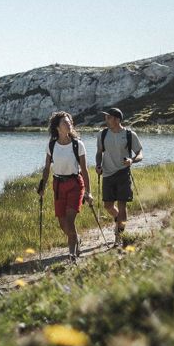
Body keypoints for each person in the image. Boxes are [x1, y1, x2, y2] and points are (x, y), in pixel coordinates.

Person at [37, 111, 93, 261]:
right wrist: (42, 186)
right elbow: (47, 168)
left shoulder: (78, 145)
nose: (68, 125)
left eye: (69, 122)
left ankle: (72, 255)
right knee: (62, 224)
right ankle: (76, 240)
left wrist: (88, 192)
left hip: (75, 184)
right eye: (65, 123)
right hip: (58, 185)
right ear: (57, 127)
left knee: (69, 220)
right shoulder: (51, 146)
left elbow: (85, 169)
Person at [95, 107, 143, 247]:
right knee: (108, 206)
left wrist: (131, 160)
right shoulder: (102, 134)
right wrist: (98, 165)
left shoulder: (129, 134)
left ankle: (119, 236)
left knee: (122, 206)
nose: (106, 119)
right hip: (108, 174)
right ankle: (118, 220)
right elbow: (99, 152)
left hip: (123, 173)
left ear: (117, 119)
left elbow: (140, 153)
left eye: (109, 117)